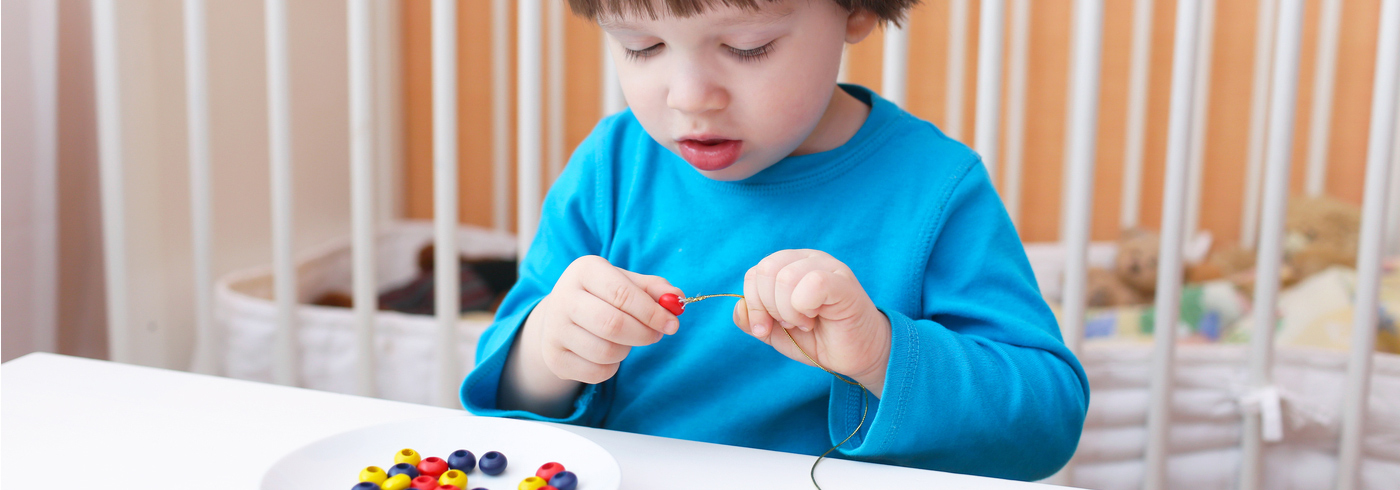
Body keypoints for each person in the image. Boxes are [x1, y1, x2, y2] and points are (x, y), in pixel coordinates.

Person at [461, 0, 1088, 480]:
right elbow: (507, 402)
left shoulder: (937, 190)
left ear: (858, 9)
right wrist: (548, 352)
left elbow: (1045, 422)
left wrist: (881, 354)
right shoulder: (611, 167)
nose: (688, 98)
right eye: (642, 45)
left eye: (747, 46)